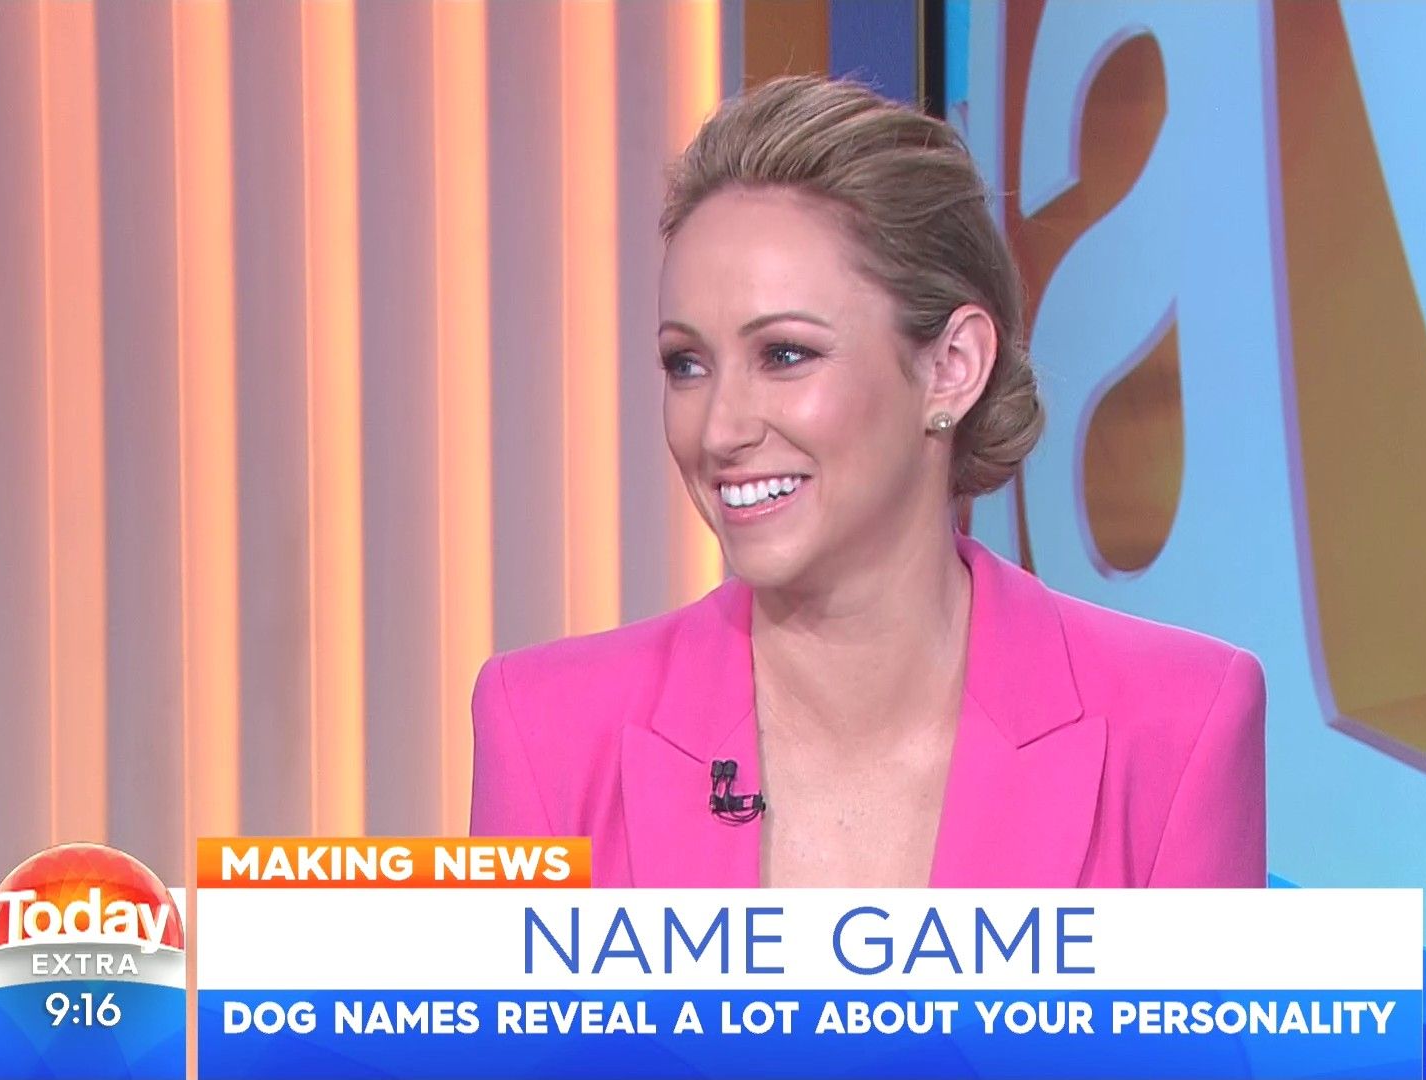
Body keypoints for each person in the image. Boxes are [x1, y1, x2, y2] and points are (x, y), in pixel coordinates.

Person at [470, 75, 1264, 888]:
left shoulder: (1181, 724)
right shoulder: (541, 731)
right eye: (687, 364)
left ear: (951, 368)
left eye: (785, 355)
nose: (718, 430)